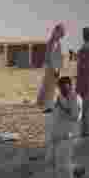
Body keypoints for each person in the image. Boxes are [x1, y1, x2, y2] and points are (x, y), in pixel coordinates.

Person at [50, 76, 83, 178]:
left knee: (64, 165)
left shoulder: (76, 99)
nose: (63, 90)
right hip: (57, 136)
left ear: (70, 86)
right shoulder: (59, 98)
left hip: (69, 136)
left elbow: (75, 116)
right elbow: (56, 115)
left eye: (66, 88)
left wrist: (62, 106)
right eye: (61, 88)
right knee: (55, 163)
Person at [38, 24, 66, 160]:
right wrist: (55, 69)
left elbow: (56, 57)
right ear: (56, 31)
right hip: (52, 69)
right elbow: (51, 57)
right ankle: (48, 106)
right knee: (49, 88)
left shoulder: (55, 42)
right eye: (60, 33)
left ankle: (49, 105)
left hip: (54, 69)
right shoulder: (53, 42)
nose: (61, 35)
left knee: (51, 88)